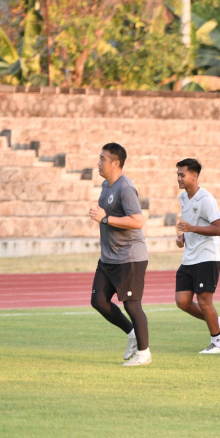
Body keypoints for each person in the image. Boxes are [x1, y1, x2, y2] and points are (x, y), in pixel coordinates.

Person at [88, 142, 151, 366]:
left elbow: (137, 221)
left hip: (129, 257)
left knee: (132, 305)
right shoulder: (106, 186)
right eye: (99, 158)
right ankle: (132, 333)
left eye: (103, 159)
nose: (99, 162)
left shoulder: (125, 188)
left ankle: (144, 354)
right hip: (108, 257)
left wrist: (105, 218)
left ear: (116, 163)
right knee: (99, 301)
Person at [173, 158, 220, 353]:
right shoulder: (183, 198)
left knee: (205, 301)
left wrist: (192, 228)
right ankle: (219, 322)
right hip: (190, 257)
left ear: (194, 176)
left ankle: (217, 343)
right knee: (182, 301)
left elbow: (219, 228)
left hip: (207, 257)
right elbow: (190, 227)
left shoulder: (206, 199)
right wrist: (183, 237)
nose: (179, 178)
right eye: (178, 175)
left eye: (182, 175)